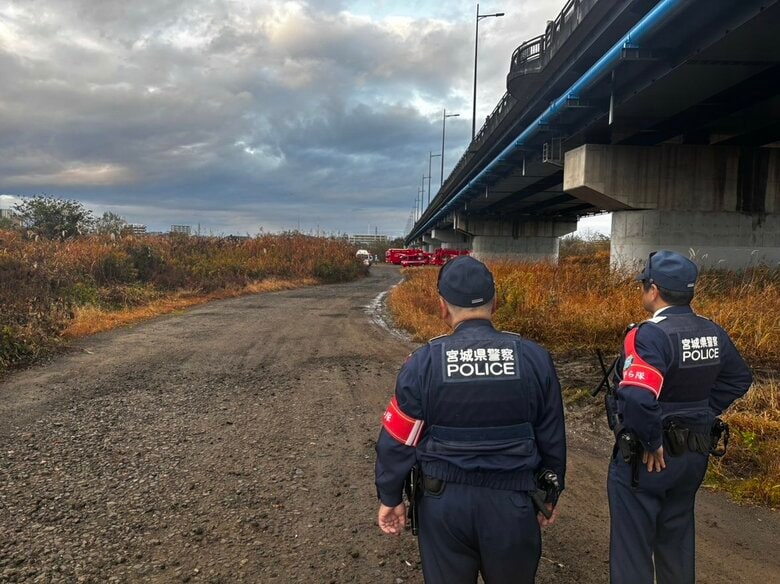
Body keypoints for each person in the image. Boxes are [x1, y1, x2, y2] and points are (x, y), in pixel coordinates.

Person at [374, 256, 566, 584]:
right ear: (495, 302)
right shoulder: (534, 359)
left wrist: (390, 497)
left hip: (443, 507)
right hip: (514, 504)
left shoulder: (423, 364)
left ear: (443, 307)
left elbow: (398, 440)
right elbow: (552, 437)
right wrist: (551, 493)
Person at [608, 250, 753, 584]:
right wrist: (701, 413)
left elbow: (636, 397)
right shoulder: (712, 332)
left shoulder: (649, 335)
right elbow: (738, 379)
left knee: (633, 550)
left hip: (648, 460)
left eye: (644, 284)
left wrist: (654, 441)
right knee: (677, 540)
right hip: (693, 454)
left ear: (654, 289)